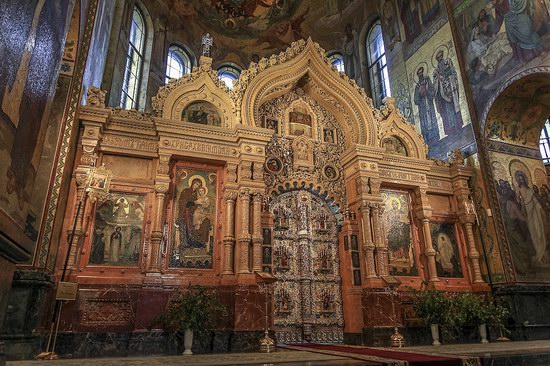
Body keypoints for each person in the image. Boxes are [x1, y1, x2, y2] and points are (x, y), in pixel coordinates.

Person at [515, 170, 548, 263]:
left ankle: (543, 254)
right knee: (534, 233)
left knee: (540, 232)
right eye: (519, 179)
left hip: (535, 212)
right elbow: (518, 200)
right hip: (528, 213)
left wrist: (541, 208)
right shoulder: (518, 189)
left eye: (522, 178)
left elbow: (535, 200)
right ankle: (539, 254)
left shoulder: (529, 189)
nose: (521, 180)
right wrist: (520, 202)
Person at [433, 49, 463, 136]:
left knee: (454, 107)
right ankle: (450, 130)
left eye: (441, 57)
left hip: (451, 90)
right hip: (443, 94)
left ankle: (458, 126)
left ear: (443, 56)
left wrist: (444, 76)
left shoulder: (448, 62)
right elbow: (435, 84)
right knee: (446, 112)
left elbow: (453, 72)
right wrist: (438, 80)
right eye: (438, 59)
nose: (440, 59)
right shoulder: (436, 71)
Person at [413, 66, 439, 144]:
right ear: (418, 75)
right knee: (425, 123)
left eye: (421, 73)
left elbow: (432, 90)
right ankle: (427, 142)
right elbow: (416, 100)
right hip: (423, 107)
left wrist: (427, 91)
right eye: (419, 74)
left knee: (432, 119)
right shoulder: (417, 86)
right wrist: (420, 93)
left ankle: (436, 138)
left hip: (429, 104)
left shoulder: (427, 80)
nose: (421, 75)